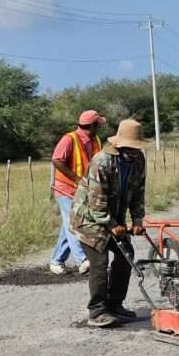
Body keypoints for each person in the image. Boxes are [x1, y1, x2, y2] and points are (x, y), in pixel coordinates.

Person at [70, 119, 147, 328]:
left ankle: (115, 305)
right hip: (88, 218)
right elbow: (97, 202)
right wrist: (111, 224)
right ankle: (97, 311)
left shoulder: (139, 161)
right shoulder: (102, 161)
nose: (133, 153)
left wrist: (138, 219)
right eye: (129, 149)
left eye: (136, 148)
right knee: (99, 261)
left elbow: (138, 192)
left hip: (114, 216)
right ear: (119, 145)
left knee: (126, 255)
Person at [49, 110, 106, 276]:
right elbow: (57, 160)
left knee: (68, 226)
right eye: (98, 124)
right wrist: (76, 179)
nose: (100, 127)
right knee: (73, 223)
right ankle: (82, 260)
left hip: (83, 191)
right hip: (65, 188)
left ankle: (56, 260)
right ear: (92, 125)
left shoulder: (95, 139)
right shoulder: (69, 139)